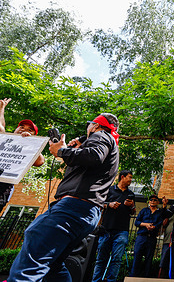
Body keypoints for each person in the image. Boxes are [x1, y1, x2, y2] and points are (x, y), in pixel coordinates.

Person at [7, 113, 120, 281]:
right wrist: (73, 150)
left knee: (35, 242)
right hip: (85, 212)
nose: (87, 128)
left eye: (89, 124)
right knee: (53, 266)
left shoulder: (101, 134)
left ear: (95, 125)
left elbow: (94, 155)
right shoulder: (105, 142)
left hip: (73, 208)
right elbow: (86, 163)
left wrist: (61, 151)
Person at [0, 98, 45, 212]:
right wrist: (2, 109)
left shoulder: (29, 149)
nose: (23, 130)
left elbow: (40, 162)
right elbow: (1, 128)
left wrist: (30, 141)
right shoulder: (5, 139)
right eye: (22, 127)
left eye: (30, 130)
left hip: (3, 186)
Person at [92, 170, 136, 282]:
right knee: (101, 259)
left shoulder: (131, 194)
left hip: (122, 231)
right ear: (122, 177)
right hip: (106, 229)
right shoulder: (109, 190)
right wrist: (109, 204)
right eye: (129, 177)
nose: (131, 180)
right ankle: (96, 280)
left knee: (117, 259)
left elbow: (133, 212)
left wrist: (131, 206)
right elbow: (99, 204)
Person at [130, 194, 165, 278]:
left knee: (149, 259)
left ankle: (146, 278)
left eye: (155, 200)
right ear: (149, 202)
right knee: (137, 256)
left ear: (157, 202)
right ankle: (133, 277)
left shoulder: (159, 212)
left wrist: (154, 227)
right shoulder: (144, 210)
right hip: (141, 236)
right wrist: (145, 224)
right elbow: (137, 222)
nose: (152, 201)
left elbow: (160, 222)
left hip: (152, 238)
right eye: (151, 200)